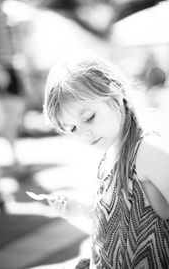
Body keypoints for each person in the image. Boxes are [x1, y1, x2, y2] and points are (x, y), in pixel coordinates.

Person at [43, 51, 169, 268]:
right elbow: (121, 221)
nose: (84, 134)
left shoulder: (148, 152)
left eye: (88, 118)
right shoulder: (107, 158)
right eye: (71, 128)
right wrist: (83, 210)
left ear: (115, 92)